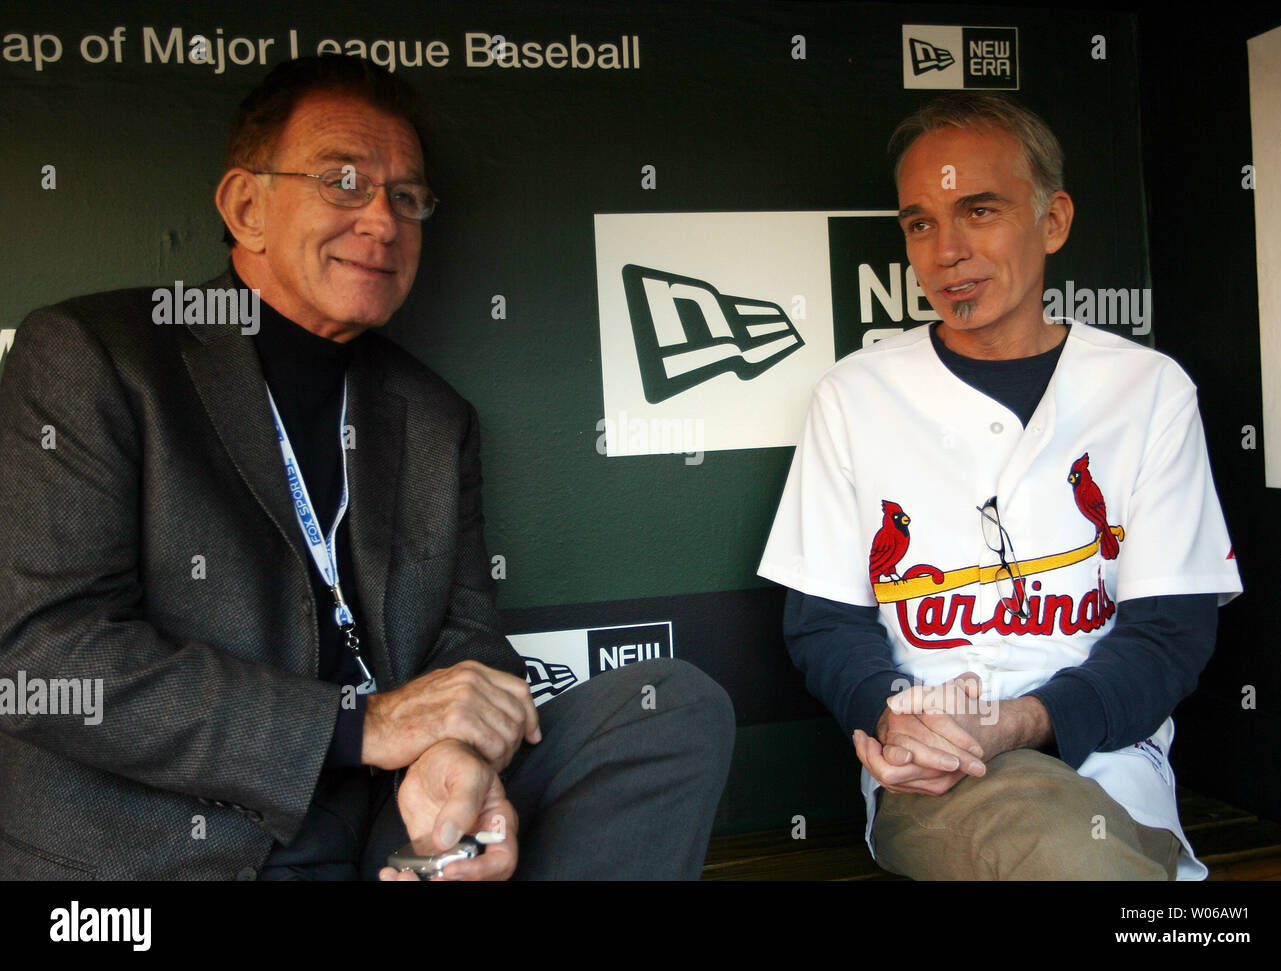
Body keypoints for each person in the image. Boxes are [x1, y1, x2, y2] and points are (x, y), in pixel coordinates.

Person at [0, 54, 734, 881]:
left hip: (391, 827)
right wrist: (362, 725)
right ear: (247, 206)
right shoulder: (99, 355)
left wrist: (457, 759)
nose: (383, 221)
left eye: (407, 197)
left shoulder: (433, 415)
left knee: (670, 709)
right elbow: (43, 658)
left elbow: (470, 639)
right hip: (168, 846)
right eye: (343, 182)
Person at [758, 93, 1241, 880]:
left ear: (1053, 221)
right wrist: (897, 716)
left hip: (1115, 759)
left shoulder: (1149, 390)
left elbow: (1169, 633)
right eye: (920, 223)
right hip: (947, 776)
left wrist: (1022, 721)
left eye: (978, 211)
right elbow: (823, 625)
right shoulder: (853, 395)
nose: (946, 251)